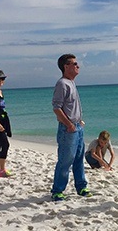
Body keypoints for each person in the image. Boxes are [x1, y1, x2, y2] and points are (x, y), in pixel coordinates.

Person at [51, 53, 91, 201]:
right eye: (74, 64)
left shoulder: (71, 83)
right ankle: (57, 190)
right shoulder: (62, 83)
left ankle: (81, 187)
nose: (77, 66)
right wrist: (69, 124)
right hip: (68, 129)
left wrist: (79, 121)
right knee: (65, 161)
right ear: (65, 66)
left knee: (79, 159)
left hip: (77, 127)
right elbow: (56, 107)